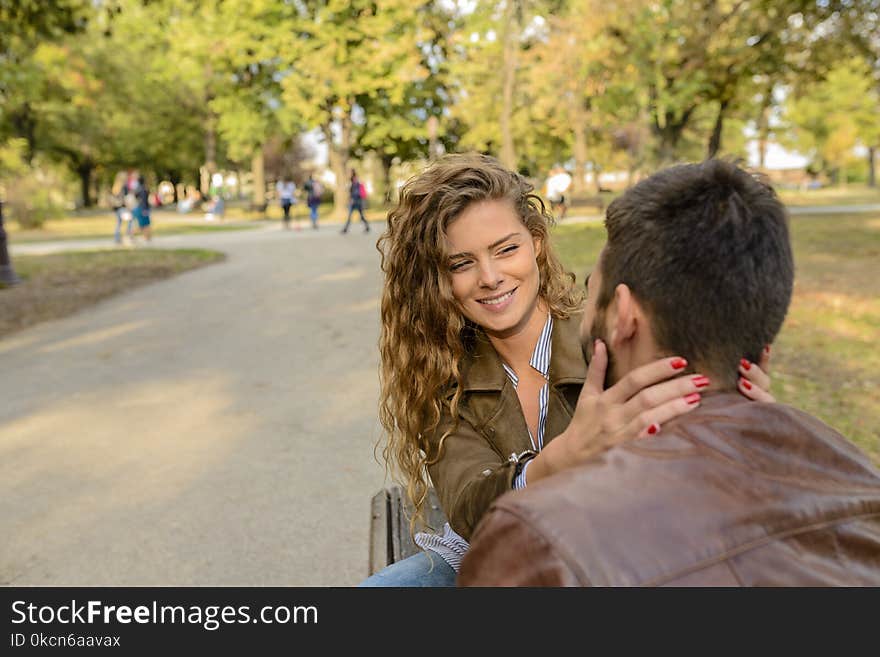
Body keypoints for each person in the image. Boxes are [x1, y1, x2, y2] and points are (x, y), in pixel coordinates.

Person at [458, 159, 880, 587]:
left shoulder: (537, 542)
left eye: (592, 292)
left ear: (624, 316)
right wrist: (750, 434)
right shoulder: (863, 487)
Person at [361, 154, 771, 587]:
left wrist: (746, 424)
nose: (490, 276)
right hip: (496, 560)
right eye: (461, 263)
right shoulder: (439, 370)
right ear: (438, 278)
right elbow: (467, 506)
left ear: (536, 242)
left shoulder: (609, 338)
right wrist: (563, 458)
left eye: (506, 249)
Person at [111, 170, 136, 245]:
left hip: (117, 209)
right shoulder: (124, 186)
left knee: (119, 223)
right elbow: (125, 198)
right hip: (123, 208)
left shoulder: (115, 186)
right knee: (131, 221)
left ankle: (117, 238)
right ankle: (129, 236)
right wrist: (129, 207)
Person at [132, 175, 152, 241]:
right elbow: (144, 200)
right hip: (143, 209)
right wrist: (145, 209)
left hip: (139, 208)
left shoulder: (137, 189)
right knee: (144, 225)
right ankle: (146, 238)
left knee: (144, 225)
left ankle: (147, 238)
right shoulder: (143, 189)